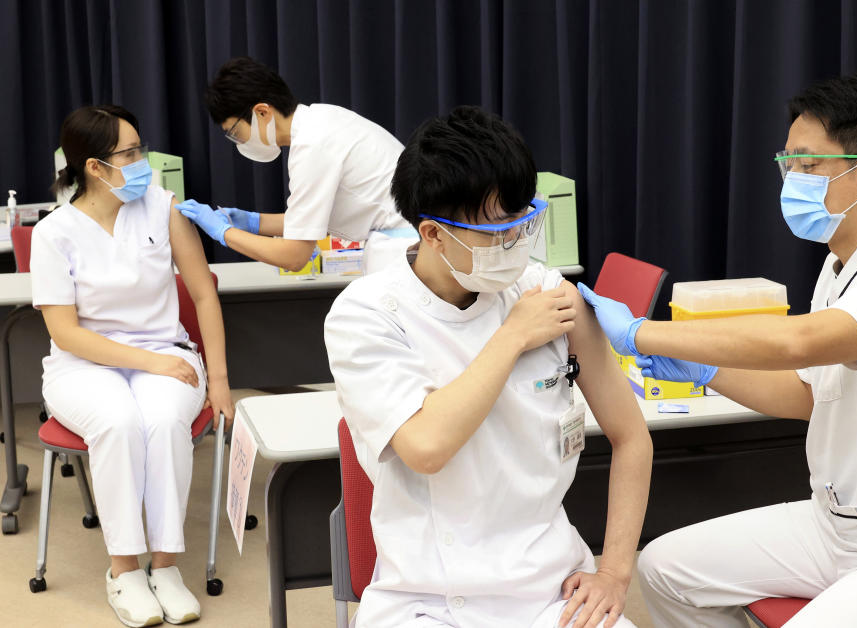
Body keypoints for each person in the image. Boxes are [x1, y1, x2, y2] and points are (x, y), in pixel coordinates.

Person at [580, 72, 857, 626]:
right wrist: (704, 369)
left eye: (809, 165)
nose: (793, 179)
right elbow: (806, 394)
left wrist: (642, 332)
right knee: (664, 569)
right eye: (789, 163)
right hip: (830, 526)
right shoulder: (841, 267)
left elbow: (796, 341)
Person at [324, 106, 653, 628]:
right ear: (433, 234)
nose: (516, 244)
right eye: (496, 232)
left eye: (522, 222)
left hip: (553, 591)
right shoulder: (365, 314)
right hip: (428, 601)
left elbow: (632, 436)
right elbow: (427, 447)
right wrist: (513, 336)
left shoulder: (551, 295)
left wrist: (614, 572)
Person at [32, 105, 234, 627]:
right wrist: (151, 362)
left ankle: (164, 566)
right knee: (119, 423)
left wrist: (221, 382)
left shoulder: (162, 207)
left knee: (165, 421)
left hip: (167, 355)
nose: (143, 160)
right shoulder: (55, 233)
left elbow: (203, 295)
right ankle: (123, 571)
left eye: (140, 147)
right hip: (83, 366)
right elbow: (66, 332)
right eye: (131, 152)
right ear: (96, 167)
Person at [175, 56, 416, 274]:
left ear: (261, 112)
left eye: (236, 133)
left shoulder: (311, 146)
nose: (239, 142)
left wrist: (223, 233)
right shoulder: (322, 118)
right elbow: (306, 218)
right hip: (409, 242)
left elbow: (294, 257)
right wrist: (253, 222)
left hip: (402, 251)